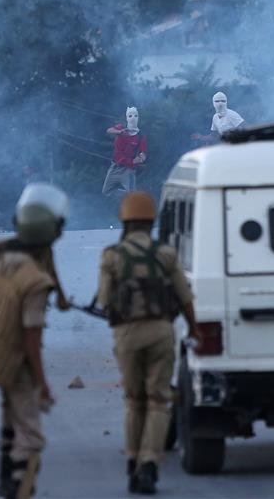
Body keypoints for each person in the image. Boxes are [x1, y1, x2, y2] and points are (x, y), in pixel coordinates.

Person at [0, 183, 70, 499]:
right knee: (31, 435)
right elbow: (31, 340)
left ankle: (5, 479)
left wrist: (61, 299)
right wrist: (43, 384)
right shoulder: (34, 282)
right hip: (15, 354)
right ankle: (20, 488)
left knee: (11, 414)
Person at [96, 191, 201, 495]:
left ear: (125, 221)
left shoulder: (111, 256)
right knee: (158, 400)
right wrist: (194, 329)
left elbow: (104, 301)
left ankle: (132, 460)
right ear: (151, 221)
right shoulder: (166, 254)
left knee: (134, 400)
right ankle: (150, 464)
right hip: (161, 332)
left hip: (127, 335)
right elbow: (185, 297)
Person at [103, 107, 148, 197]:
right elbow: (109, 130)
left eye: (135, 115)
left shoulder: (140, 136)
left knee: (132, 196)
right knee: (106, 191)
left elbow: (143, 152)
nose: (133, 118)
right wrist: (119, 132)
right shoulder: (122, 127)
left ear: (138, 117)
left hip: (128, 169)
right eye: (130, 115)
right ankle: (126, 197)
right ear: (127, 117)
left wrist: (141, 158)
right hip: (115, 166)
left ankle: (132, 202)